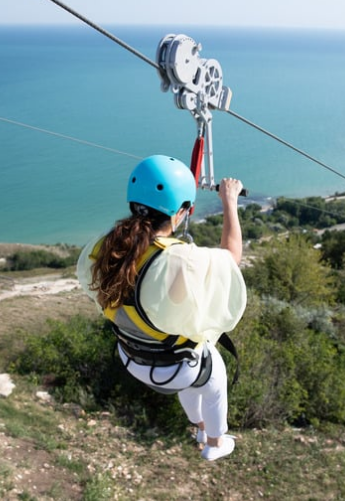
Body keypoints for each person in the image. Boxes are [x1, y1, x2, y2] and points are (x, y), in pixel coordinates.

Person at [77, 154, 247, 461]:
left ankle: (197, 425)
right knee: (213, 373)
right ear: (181, 213)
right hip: (173, 367)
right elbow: (231, 259)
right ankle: (214, 443)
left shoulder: (107, 246)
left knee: (192, 367)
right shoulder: (177, 259)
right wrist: (230, 202)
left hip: (132, 357)